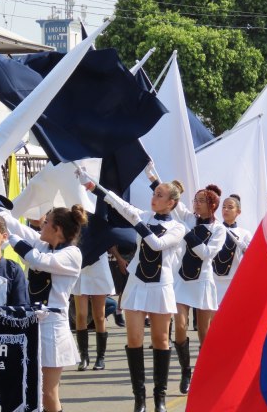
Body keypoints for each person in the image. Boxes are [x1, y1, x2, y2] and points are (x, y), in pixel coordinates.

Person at [78, 168, 185, 412]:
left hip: (161, 286)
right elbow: (117, 203)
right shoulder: (144, 216)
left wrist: (138, 222)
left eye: (159, 195)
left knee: (160, 339)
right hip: (137, 284)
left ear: (171, 203)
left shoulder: (178, 228)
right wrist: (92, 184)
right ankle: (139, 398)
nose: (153, 198)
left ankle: (160, 397)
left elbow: (157, 245)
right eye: (154, 193)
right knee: (134, 339)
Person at [146, 165, 226, 397]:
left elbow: (207, 254)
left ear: (211, 205)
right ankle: (186, 371)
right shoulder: (188, 218)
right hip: (182, 281)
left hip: (203, 282)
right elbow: (169, 196)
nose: (196, 203)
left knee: (204, 333)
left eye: (201, 200)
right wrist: (152, 175)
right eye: (195, 199)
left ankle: (206, 372)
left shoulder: (219, 229)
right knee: (179, 327)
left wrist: (187, 234)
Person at [0, 203, 86, 412]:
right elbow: (19, 228)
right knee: (30, 389)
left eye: (46, 223)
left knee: (48, 393)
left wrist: (11, 239)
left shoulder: (72, 254)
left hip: (53, 328)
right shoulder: (43, 245)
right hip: (32, 324)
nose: (41, 226)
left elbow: (39, 262)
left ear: (57, 229)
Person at [72, 244, 116, 372]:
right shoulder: (76, 223)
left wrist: (118, 257)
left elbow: (110, 238)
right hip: (80, 263)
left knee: (99, 316)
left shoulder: (100, 223)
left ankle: (100, 357)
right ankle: (84, 356)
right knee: (81, 314)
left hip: (98, 265)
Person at [214, 194, 252, 304]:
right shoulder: (215, 229)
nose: (225, 210)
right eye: (224, 207)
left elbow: (249, 256)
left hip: (233, 280)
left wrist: (245, 249)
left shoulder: (244, 233)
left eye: (230, 207)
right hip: (214, 279)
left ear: (238, 212)